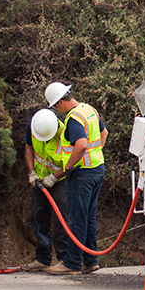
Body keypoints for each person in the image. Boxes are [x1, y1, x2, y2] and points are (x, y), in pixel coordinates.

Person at [43, 82, 107, 275]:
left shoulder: (73, 119)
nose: (57, 111)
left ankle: (71, 263)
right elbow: (104, 133)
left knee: (77, 218)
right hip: (97, 169)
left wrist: (69, 167)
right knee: (88, 217)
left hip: (81, 174)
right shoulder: (89, 110)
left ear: (61, 101)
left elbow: (80, 145)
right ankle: (90, 260)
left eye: (55, 106)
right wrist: (96, 153)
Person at [21, 108, 70, 271]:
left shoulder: (65, 133)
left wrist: (54, 177)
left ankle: (64, 259)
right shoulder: (34, 126)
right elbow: (29, 148)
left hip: (60, 178)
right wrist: (31, 173)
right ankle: (43, 258)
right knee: (38, 215)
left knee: (62, 217)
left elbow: (70, 162)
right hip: (39, 178)